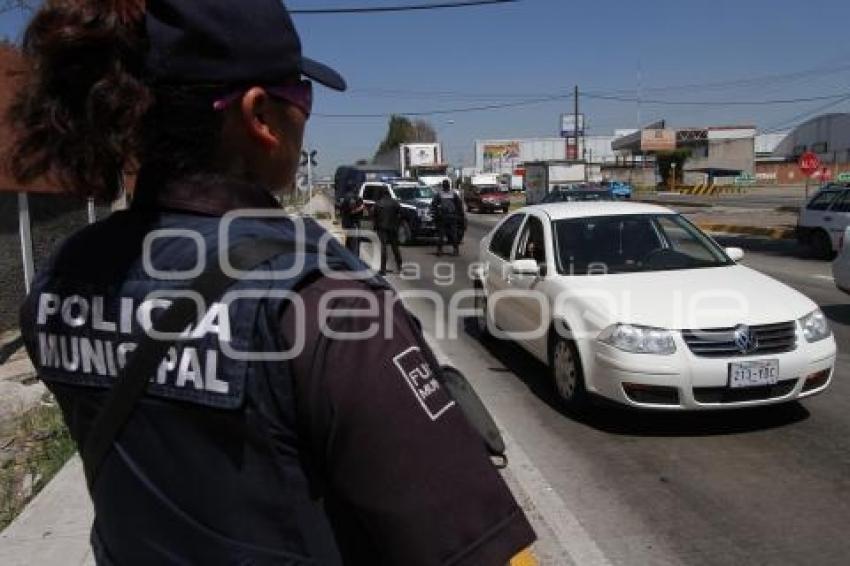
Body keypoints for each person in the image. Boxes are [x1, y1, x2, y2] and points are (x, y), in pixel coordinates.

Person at [9, 1, 535, 565]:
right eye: (302, 96)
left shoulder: (61, 278)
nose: (306, 115)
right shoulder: (324, 306)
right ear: (260, 116)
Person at [373, 187, 404, 275]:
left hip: (382, 228)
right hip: (393, 227)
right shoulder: (394, 202)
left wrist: (375, 226)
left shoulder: (378, 203)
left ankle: (383, 269)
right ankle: (399, 266)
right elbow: (401, 213)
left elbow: (374, 216)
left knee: (384, 247)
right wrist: (397, 223)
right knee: (395, 247)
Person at [431, 179, 466, 256]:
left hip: (444, 217)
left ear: (443, 186)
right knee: (453, 234)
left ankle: (441, 251)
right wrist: (460, 215)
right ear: (449, 186)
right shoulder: (453, 194)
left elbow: (434, 205)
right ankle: (455, 250)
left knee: (441, 235)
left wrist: (436, 213)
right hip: (451, 216)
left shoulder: (439, 194)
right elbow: (459, 206)